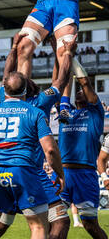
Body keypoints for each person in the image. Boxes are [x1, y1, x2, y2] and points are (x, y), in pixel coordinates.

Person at [0, 35, 76, 239]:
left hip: (0, 170)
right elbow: (61, 80)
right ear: (30, 88)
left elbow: (6, 74)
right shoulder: (40, 103)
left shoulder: (4, 98)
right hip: (29, 172)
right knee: (59, 222)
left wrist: (13, 48)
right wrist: (67, 53)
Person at [0, 71, 65, 239]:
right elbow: (50, 149)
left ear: (3, 90)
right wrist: (60, 174)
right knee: (38, 228)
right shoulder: (35, 113)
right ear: (26, 90)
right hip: (24, 172)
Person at [56, 59, 108, 239]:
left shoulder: (95, 113)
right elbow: (62, 85)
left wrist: (71, 59)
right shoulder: (65, 113)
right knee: (57, 223)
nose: (79, 92)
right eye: (76, 92)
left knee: (90, 225)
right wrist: (62, 58)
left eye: (82, 92)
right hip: (61, 174)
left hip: (85, 175)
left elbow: (84, 82)